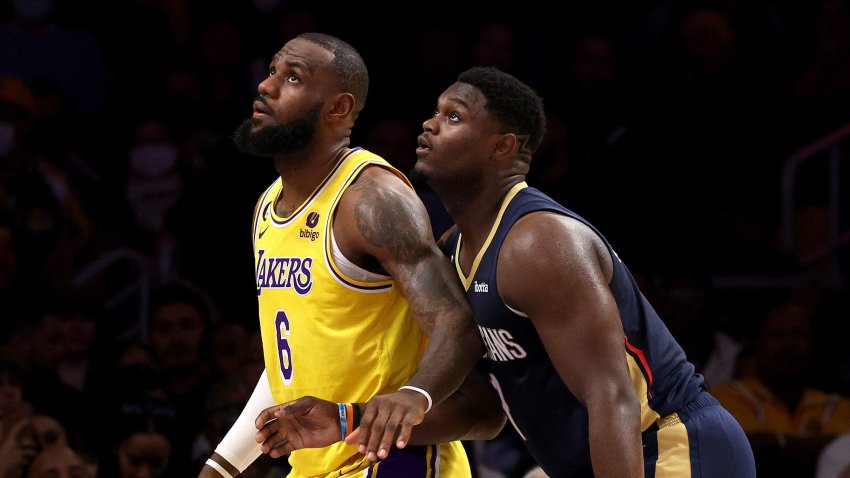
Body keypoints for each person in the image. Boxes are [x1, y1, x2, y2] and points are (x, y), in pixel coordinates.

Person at [258, 66, 757, 477]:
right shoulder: (455, 250)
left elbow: (611, 397)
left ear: (501, 147)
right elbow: (484, 413)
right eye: (434, 112)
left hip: (673, 449)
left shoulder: (538, 243)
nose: (429, 124)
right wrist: (353, 418)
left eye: (453, 117)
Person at [197, 32, 490, 478]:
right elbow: (291, 365)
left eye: (292, 77)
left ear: (338, 108)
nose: (266, 85)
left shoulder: (371, 199)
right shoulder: (267, 206)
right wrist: (222, 466)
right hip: (315, 463)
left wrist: (414, 397)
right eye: (272, 70)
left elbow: (456, 323)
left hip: (392, 461)